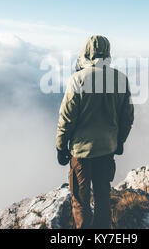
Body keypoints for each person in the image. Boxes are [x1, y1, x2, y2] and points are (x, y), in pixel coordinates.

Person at [56, 35, 134, 229]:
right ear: (108, 52)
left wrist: (60, 146)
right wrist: (120, 141)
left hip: (81, 153)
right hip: (107, 149)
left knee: (80, 202)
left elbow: (66, 118)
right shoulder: (121, 79)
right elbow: (127, 117)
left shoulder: (78, 79)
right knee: (102, 199)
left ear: (86, 52)